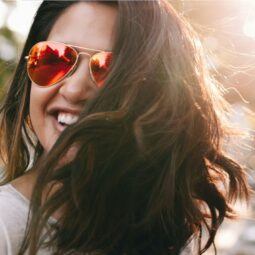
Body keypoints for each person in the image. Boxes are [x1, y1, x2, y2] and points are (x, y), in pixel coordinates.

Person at [0, 1, 250, 255]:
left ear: (158, 99)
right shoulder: (6, 227)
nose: (74, 89)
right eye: (54, 59)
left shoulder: (165, 229)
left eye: (111, 70)